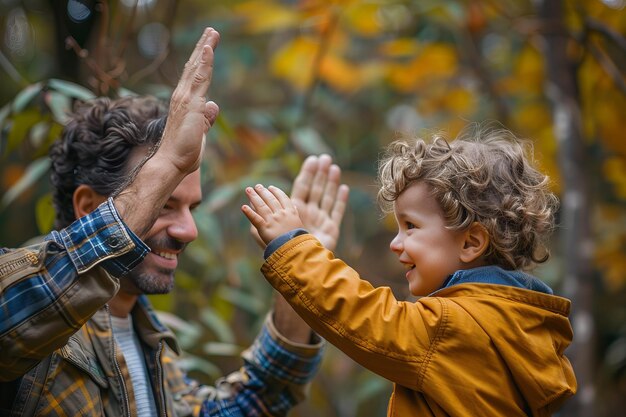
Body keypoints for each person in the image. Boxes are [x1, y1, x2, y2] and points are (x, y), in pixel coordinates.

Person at [0, 27, 349, 416]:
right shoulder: (32, 324)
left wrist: (299, 278)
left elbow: (250, 404)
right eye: (165, 203)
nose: (189, 231)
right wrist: (167, 162)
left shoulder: (150, 342)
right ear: (88, 206)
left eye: (191, 208)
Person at [241, 124, 578, 416]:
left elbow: (365, 318)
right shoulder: (519, 324)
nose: (395, 243)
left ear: (471, 242)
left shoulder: (456, 326)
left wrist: (291, 245)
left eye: (411, 226)